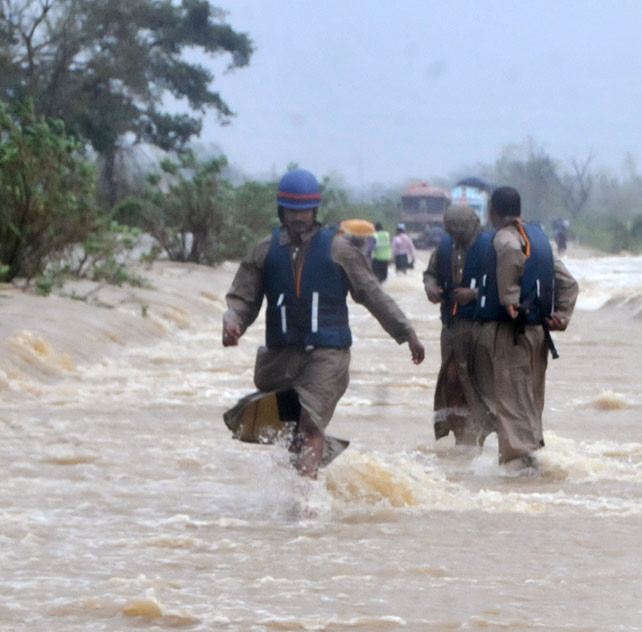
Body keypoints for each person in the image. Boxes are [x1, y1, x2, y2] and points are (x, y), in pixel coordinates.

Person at [221, 168, 426, 478]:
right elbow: (242, 298)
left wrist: (407, 333)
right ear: (282, 210)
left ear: (315, 210)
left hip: (328, 353)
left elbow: (373, 295)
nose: (299, 216)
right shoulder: (264, 251)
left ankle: (307, 503)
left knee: (309, 421)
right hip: (282, 357)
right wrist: (233, 323)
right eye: (292, 209)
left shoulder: (339, 250)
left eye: (304, 210)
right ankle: (307, 480)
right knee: (293, 433)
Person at [438, 186, 579, 469]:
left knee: (509, 400)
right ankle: (528, 457)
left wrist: (509, 298)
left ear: (493, 210)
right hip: (538, 333)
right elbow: (568, 281)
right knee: (529, 400)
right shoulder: (538, 239)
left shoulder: (505, 238)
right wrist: (562, 314)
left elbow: (511, 255)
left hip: (511, 333)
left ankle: (521, 466)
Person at [422, 204, 493, 446]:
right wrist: (431, 288)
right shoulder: (444, 248)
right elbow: (429, 273)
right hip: (451, 326)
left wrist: (475, 294)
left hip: (480, 327)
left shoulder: (490, 247)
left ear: (473, 225)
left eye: (460, 231)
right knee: (452, 379)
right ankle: (462, 439)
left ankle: (482, 437)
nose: (456, 236)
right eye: (451, 231)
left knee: (476, 384)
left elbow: (505, 285)